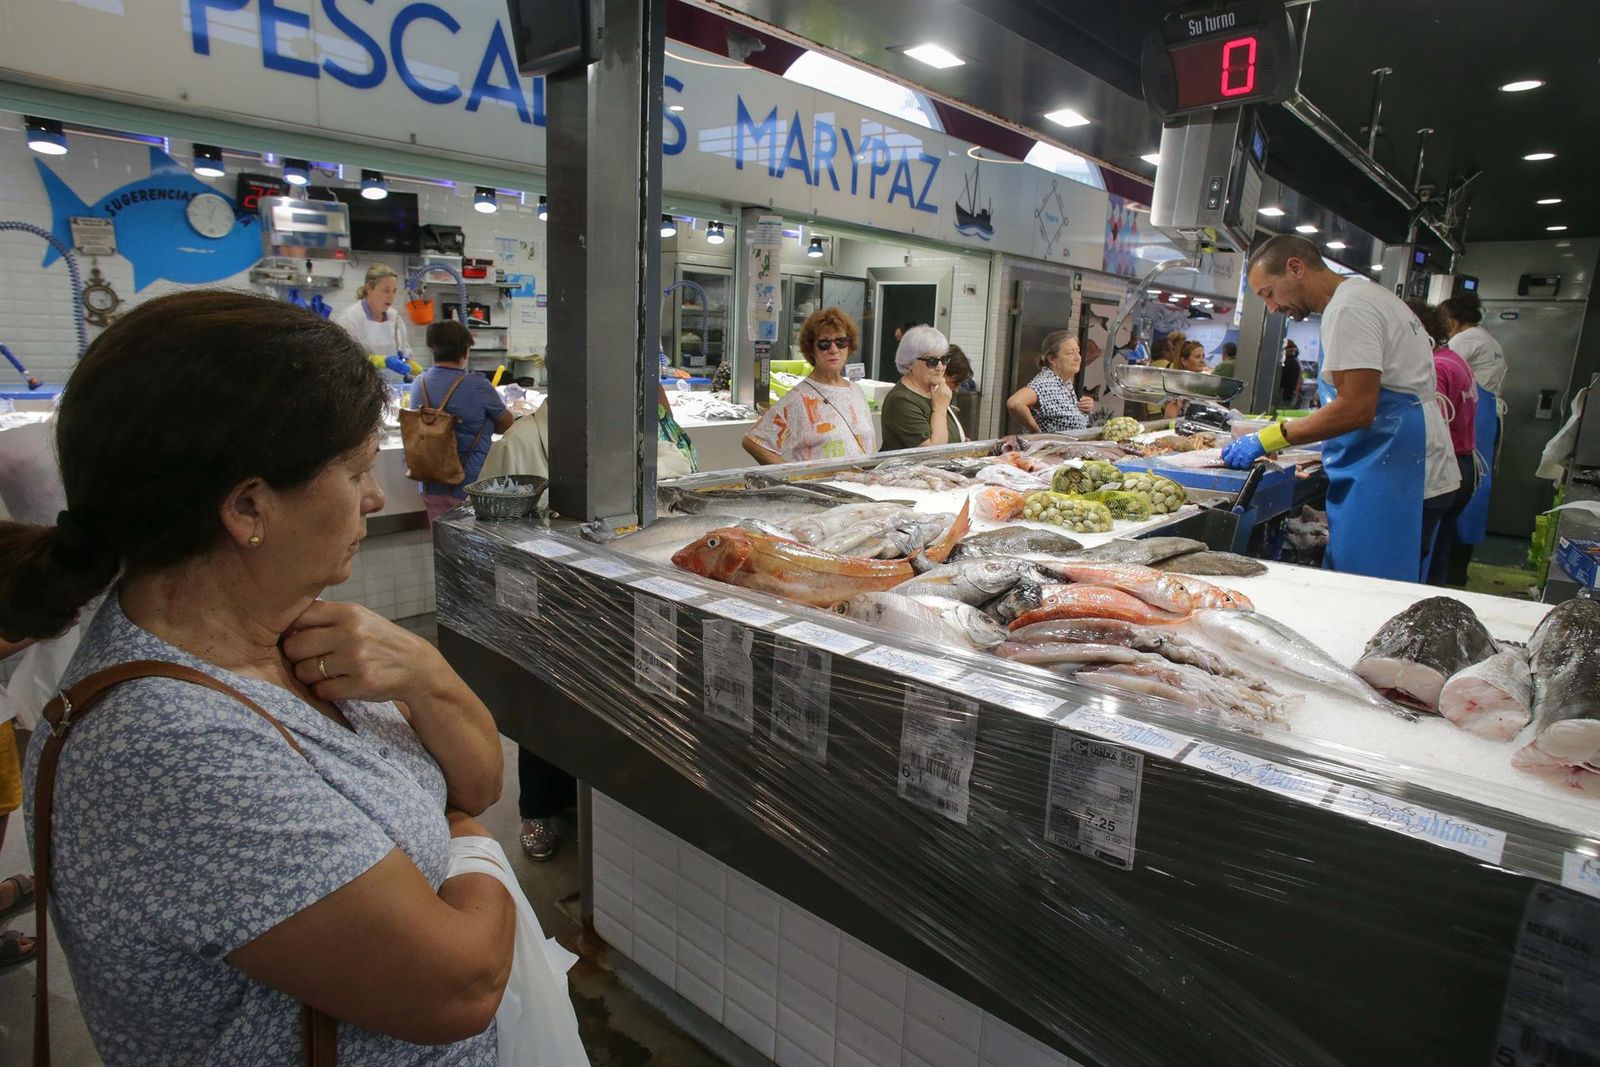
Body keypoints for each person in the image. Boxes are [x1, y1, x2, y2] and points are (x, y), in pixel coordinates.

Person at [1, 291, 514, 1062]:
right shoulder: (166, 749)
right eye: (357, 471)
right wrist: (464, 838)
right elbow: (461, 983)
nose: (376, 497)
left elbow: (478, 783)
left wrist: (427, 673)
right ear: (248, 507)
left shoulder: (293, 632)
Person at [1224, 236, 1459, 582]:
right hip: (1402, 463)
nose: (1272, 308)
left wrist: (1270, 437)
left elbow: (1357, 408)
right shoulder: (1367, 296)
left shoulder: (1350, 308)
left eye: (1269, 293)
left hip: (1397, 475)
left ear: (1295, 268)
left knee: (1370, 593)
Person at [410, 320, 513, 521]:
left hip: (430, 482)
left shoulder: (419, 383)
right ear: (465, 351)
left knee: (441, 536)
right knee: (471, 539)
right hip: (469, 484)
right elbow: (507, 423)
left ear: (432, 349)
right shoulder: (477, 385)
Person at [743, 307, 875, 464]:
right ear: (811, 349)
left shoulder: (856, 391)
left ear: (849, 345)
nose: (834, 350)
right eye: (824, 344)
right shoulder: (798, 398)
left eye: (841, 342)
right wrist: (791, 475)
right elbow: (754, 442)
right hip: (822, 481)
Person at [1409, 302, 1480, 585]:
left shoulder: (1437, 368)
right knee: (1439, 551)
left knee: (1421, 557)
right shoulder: (1454, 359)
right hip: (1461, 467)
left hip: (1443, 468)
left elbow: (1429, 428)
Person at [880, 326, 964, 451]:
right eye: (931, 361)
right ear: (910, 363)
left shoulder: (936, 392)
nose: (940, 367)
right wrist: (940, 410)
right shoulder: (901, 401)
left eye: (944, 359)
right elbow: (934, 453)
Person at [1007, 330, 1095, 434]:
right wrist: (1037, 432)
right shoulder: (1045, 383)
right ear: (1052, 359)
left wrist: (1085, 408)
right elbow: (1015, 403)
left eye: (1078, 352)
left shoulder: (1065, 383)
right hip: (1050, 444)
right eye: (1070, 353)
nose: (1078, 358)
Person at [332, 264, 412, 375]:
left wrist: (413, 367)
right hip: (361, 383)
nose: (391, 297)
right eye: (386, 290)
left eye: (394, 291)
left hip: (395, 383)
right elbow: (345, 359)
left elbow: (405, 354)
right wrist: (382, 361)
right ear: (369, 288)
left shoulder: (395, 318)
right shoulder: (349, 319)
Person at [1437, 293, 1506, 398]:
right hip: (1490, 401)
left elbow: (1442, 370)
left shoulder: (1464, 338)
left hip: (1477, 401)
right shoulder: (1484, 335)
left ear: (1452, 323)